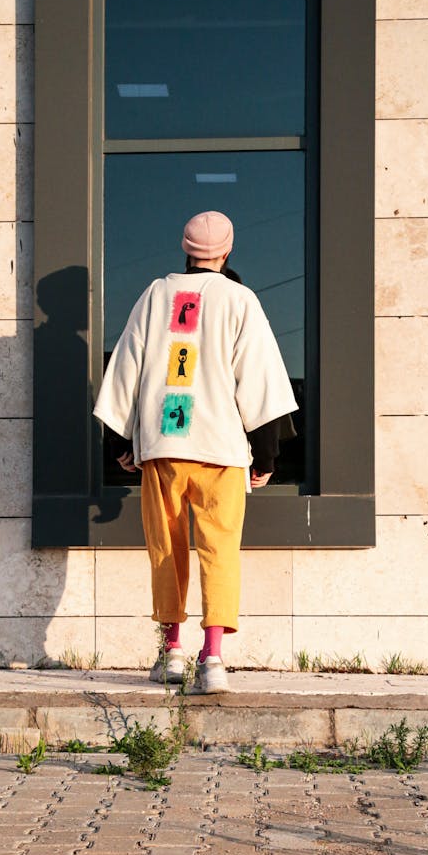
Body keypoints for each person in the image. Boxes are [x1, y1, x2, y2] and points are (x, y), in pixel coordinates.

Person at [93, 210, 297, 693]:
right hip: (221, 449)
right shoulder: (240, 300)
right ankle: (213, 659)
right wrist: (265, 458)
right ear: (227, 252)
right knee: (220, 547)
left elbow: (126, 368)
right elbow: (260, 378)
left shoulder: (155, 295)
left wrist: (121, 444)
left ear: (185, 249)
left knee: (166, 547)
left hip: (165, 446)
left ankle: (172, 651)